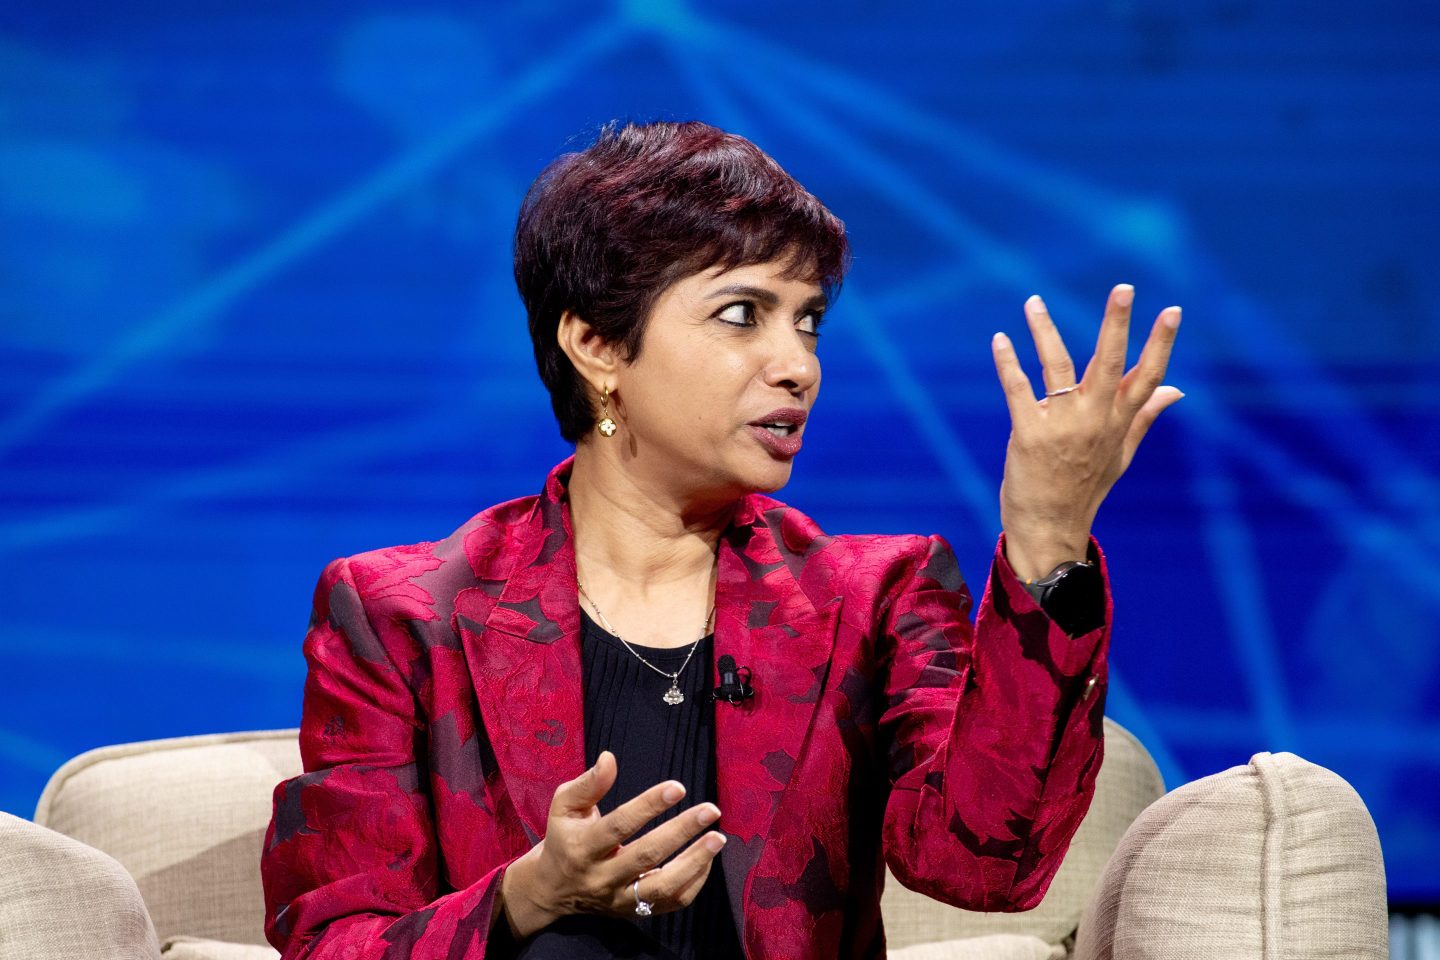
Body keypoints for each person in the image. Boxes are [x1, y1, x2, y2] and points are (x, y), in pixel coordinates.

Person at [260, 119, 1183, 960]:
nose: (798, 366)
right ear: (598, 345)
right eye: (743, 314)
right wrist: (525, 896)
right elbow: (332, 941)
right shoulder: (401, 616)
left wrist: (1048, 536)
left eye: (809, 320)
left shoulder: (879, 596)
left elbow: (984, 867)